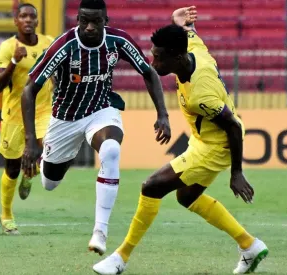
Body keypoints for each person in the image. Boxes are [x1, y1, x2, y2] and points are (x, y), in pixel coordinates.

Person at [93, 6, 268, 275]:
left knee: (151, 187)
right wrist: (177, 21)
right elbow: (189, 33)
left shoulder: (201, 94)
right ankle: (249, 245)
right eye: (154, 56)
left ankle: (120, 258)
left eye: (159, 59)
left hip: (215, 147)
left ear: (177, 57)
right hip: (203, 140)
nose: (154, 64)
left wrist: (237, 173)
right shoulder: (193, 49)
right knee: (187, 197)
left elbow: (232, 127)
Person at [21, 0, 171, 256]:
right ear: (77, 19)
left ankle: (100, 231)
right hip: (65, 119)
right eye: (84, 21)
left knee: (111, 150)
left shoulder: (119, 40)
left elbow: (148, 72)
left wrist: (163, 114)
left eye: (96, 22)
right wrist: (29, 142)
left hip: (101, 110)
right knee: (49, 183)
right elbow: (29, 89)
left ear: (106, 20)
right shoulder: (64, 45)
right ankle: (36, 169)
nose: (89, 27)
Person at [0, 3, 54, 235]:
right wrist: (15, 62)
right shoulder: (8, 47)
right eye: (23, 16)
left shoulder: (48, 43)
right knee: (12, 168)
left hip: (43, 111)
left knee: (49, 149)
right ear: (16, 21)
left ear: (37, 22)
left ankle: (32, 172)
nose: (28, 20)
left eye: (32, 16)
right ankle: (7, 214)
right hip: (14, 116)